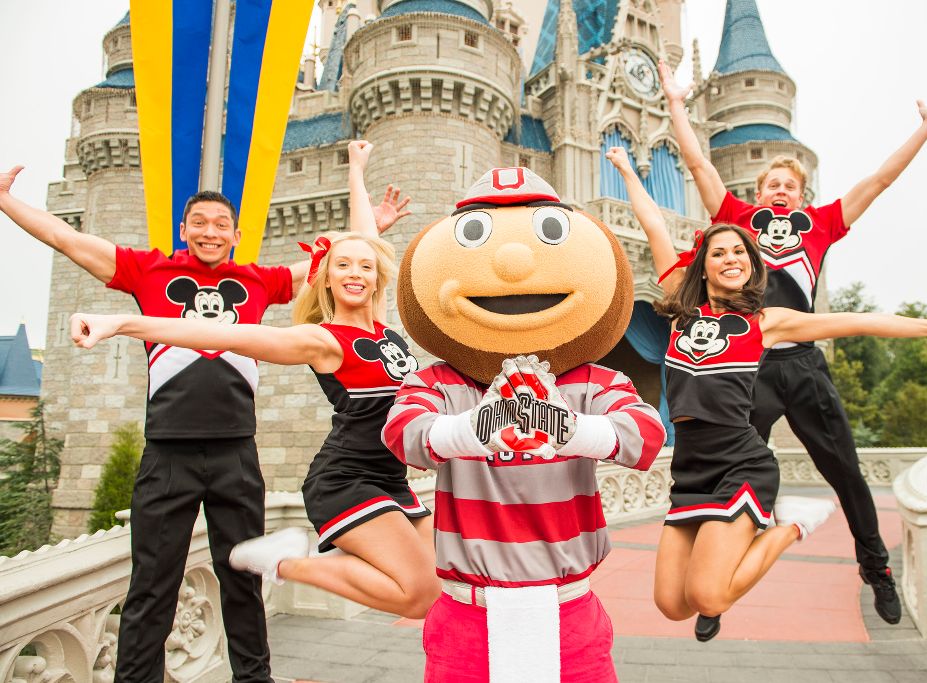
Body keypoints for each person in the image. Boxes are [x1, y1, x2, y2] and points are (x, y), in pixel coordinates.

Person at [0, 142, 410, 681]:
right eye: (200, 223)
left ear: (237, 235)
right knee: (152, 582)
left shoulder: (260, 282)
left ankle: (253, 678)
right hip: (166, 452)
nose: (211, 232)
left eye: (222, 224)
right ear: (184, 230)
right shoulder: (148, 272)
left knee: (242, 577)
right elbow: (69, 239)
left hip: (237, 452)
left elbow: (347, 271)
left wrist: (368, 228)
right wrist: (7, 202)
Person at [69, 141, 439, 620]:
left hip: (392, 479)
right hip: (347, 480)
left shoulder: (384, 327)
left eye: (365, 267)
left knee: (440, 589)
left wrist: (355, 170)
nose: (356, 273)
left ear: (376, 278)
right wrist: (121, 323)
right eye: (342, 266)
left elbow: (363, 240)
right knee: (417, 596)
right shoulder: (321, 340)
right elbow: (216, 331)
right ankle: (287, 561)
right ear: (324, 278)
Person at [657, 59, 927, 624]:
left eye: (791, 187)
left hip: (799, 360)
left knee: (844, 468)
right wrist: (677, 104)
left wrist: (926, 126)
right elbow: (698, 163)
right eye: (772, 185)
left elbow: (879, 182)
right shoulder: (736, 223)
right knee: (726, 464)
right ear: (757, 192)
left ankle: (875, 567)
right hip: (744, 372)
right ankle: (717, 581)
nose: (780, 191)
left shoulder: (820, 225)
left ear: (803, 195)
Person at [383, 167, 666, 681]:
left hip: (569, 612)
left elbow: (646, 436)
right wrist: (474, 428)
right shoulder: (439, 383)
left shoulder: (594, 381)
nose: (513, 264)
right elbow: (405, 436)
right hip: (467, 615)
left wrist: (567, 428)